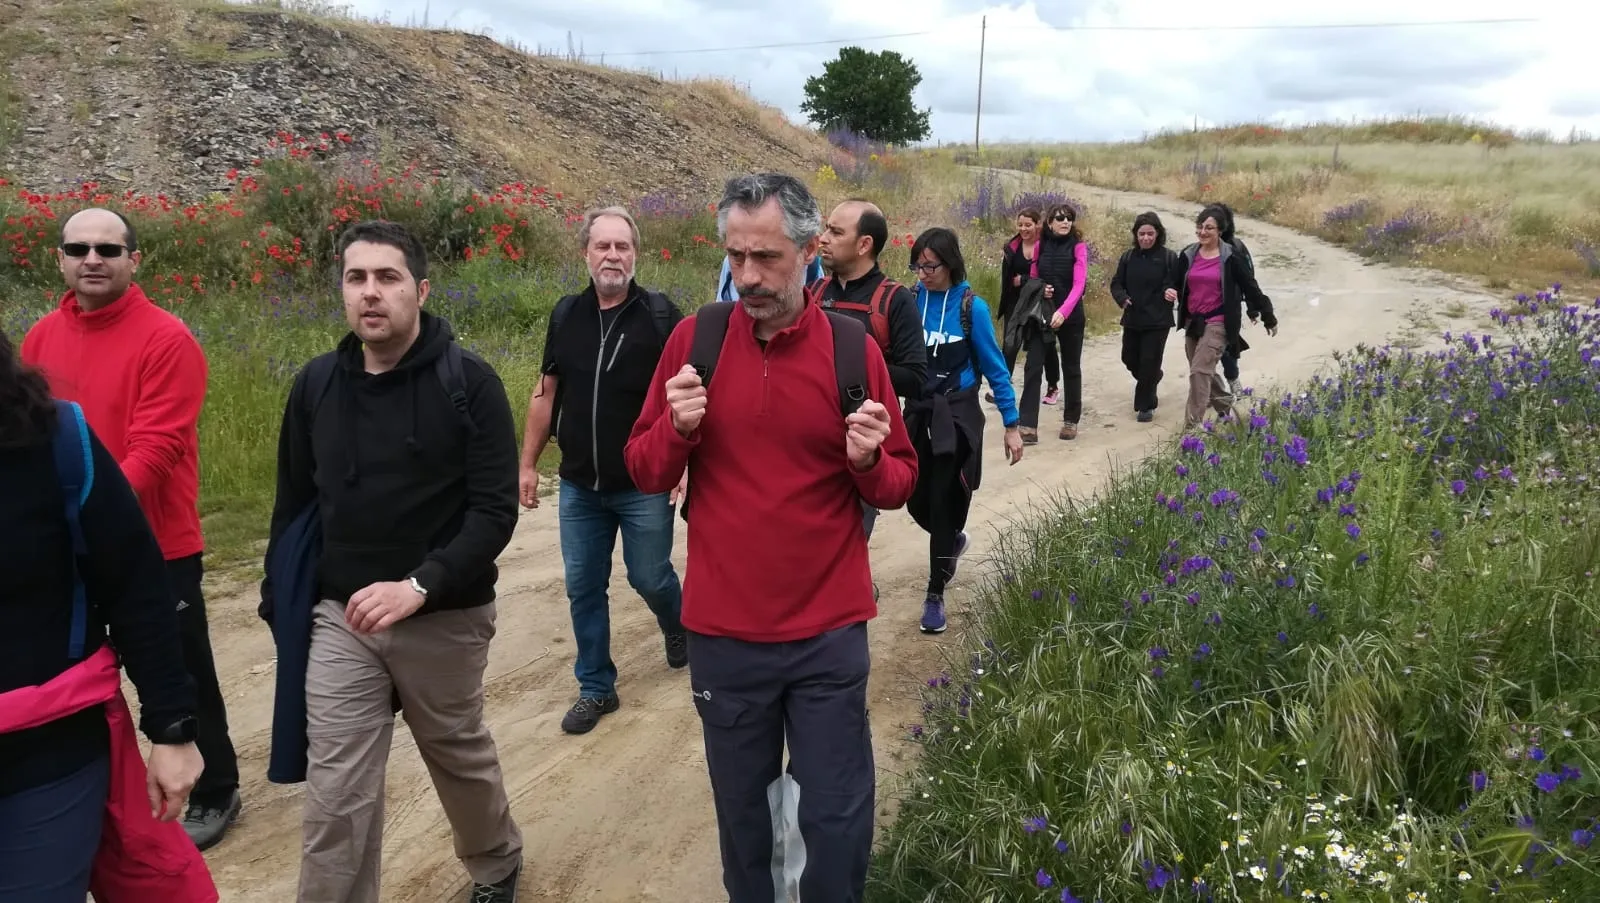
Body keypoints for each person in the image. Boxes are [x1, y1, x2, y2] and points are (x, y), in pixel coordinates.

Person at [623, 172, 918, 903]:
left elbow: (898, 482)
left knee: (835, 817)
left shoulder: (851, 350)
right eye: (736, 256)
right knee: (746, 820)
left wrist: (867, 460)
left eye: (766, 257)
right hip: (725, 635)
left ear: (811, 252)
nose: (748, 276)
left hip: (828, 633)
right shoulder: (695, 340)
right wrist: (678, 428)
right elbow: (645, 468)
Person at [261, 220, 524, 903]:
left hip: (445, 614)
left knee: (456, 754)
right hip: (342, 618)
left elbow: (494, 512)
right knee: (336, 792)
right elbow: (294, 505)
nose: (370, 292)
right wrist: (276, 595)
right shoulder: (316, 384)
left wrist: (419, 585)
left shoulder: (470, 383)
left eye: (387, 277)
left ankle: (496, 861)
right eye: (356, 278)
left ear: (421, 290)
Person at [20, 206, 243, 850]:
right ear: (59, 259)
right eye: (78, 248)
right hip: (66, 545)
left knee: (179, 668)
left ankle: (216, 788)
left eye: (108, 249)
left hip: (156, 544)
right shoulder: (40, 339)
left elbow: (158, 447)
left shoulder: (167, 339)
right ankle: (86, 787)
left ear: (134, 261)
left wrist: (88, 517)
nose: (92, 259)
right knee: (74, 670)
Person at [1, 326, 216, 901]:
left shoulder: (55, 437)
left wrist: (172, 728)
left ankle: (222, 790)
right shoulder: (47, 333)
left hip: (44, 757)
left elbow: (135, 585)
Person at [518, 206, 689, 736]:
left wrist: (683, 465)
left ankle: (678, 624)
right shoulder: (565, 314)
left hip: (644, 482)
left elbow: (688, 399)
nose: (613, 255)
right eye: (603, 246)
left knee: (650, 576)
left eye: (622, 246)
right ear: (586, 254)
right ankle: (596, 686)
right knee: (583, 586)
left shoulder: (662, 317)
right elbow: (546, 392)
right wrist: (527, 463)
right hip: (578, 486)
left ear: (635, 254)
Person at [904, 227, 1025, 635]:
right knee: (914, 498)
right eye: (917, 266)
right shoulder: (911, 301)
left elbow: (995, 368)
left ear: (950, 263)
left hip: (956, 415)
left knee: (942, 500)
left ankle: (935, 593)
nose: (923, 274)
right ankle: (952, 540)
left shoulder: (972, 308)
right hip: (919, 412)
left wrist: (1011, 424)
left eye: (930, 266)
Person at [813, 196, 928, 540]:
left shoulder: (895, 300)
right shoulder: (813, 293)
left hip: (860, 449)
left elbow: (915, 378)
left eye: (835, 232)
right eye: (826, 229)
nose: (823, 239)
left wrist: (853, 366)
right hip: (809, 445)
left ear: (864, 245)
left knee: (844, 544)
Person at [1169, 204, 1278, 430]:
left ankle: (1192, 428)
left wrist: (1267, 314)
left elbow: (1250, 286)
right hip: (1193, 322)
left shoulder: (1231, 257)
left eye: (1209, 228)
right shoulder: (1188, 254)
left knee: (1199, 371)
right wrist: (1170, 290)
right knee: (1202, 371)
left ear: (1220, 230)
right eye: (1200, 227)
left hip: (1218, 321)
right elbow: (1176, 282)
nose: (1203, 232)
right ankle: (1226, 406)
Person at [1111, 212, 1179, 422]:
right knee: (1129, 358)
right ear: (1136, 235)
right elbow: (1117, 283)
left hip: (1158, 320)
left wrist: (1171, 290)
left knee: (1149, 361)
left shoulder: (1169, 258)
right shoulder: (1128, 258)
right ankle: (1154, 377)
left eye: (1150, 233)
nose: (1146, 238)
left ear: (1158, 234)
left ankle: (1145, 406)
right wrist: (1122, 298)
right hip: (1133, 317)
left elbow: (1176, 282)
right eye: (1142, 234)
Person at [999, 206, 1059, 444]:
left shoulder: (1047, 247)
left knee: (1036, 363)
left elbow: (1046, 276)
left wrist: (1026, 281)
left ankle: (1029, 423)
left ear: (1038, 225)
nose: (1024, 228)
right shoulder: (1011, 248)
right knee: (1009, 346)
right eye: (1020, 224)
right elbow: (1007, 280)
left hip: (1040, 309)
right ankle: (1002, 388)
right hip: (1016, 306)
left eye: (1028, 224)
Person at [1041, 202, 1090, 440]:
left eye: (1069, 218)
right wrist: (1041, 289)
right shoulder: (1041, 245)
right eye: (1060, 218)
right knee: (1036, 362)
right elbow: (1034, 276)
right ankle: (1027, 422)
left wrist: (1063, 312)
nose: (1065, 222)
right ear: (1050, 222)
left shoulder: (1078, 247)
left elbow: (1079, 285)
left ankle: (1071, 420)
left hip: (1071, 317)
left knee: (1071, 367)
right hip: (1045, 314)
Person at [717, 250, 822, 301]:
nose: (748, 279)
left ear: (807, 250)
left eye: (767, 257)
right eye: (737, 255)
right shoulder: (729, 263)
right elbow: (721, 301)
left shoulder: (812, 269)